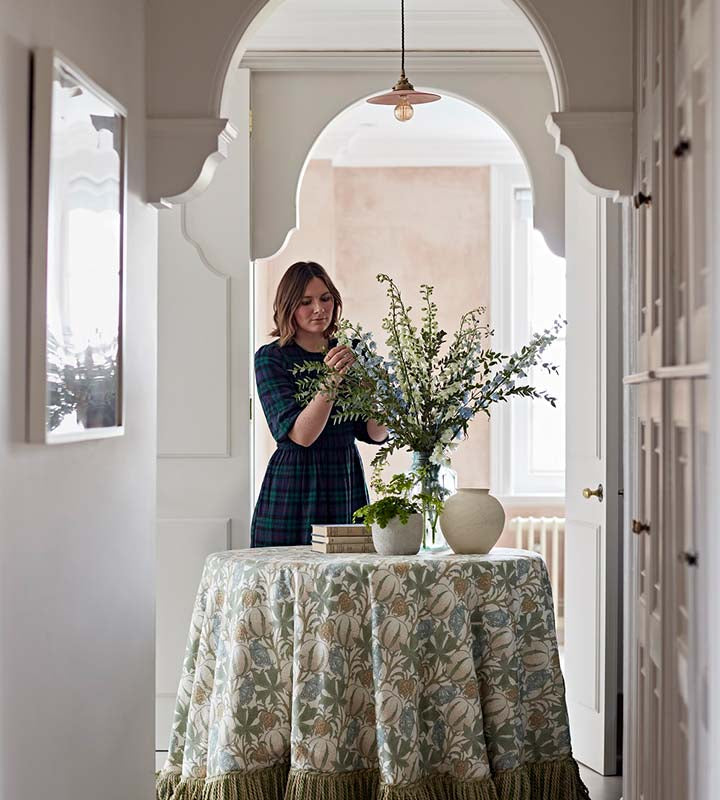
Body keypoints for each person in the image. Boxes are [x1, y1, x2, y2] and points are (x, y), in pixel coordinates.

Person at [251, 261, 388, 547]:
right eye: (306, 301)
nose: (319, 309)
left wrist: (378, 391)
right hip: (294, 485)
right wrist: (333, 379)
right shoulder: (271, 358)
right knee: (288, 585)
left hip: (344, 477)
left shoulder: (352, 352)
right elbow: (302, 435)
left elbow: (376, 434)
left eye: (325, 298)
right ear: (288, 307)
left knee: (348, 583)